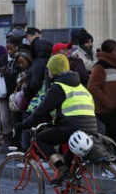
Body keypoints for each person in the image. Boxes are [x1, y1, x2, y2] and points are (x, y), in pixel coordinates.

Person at [22, 53, 98, 185]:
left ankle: (60, 167)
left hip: (72, 127)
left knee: (41, 139)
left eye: (49, 69)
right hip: (90, 127)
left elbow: (41, 111)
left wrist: (24, 124)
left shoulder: (58, 86)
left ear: (53, 70)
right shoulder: (80, 86)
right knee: (71, 168)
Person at [87, 39, 116, 172]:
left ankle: (108, 167)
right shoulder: (100, 66)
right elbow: (93, 87)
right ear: (108, 52)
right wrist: (107, 102)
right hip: (106, 109)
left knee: (110, 138)